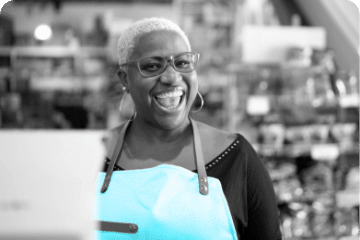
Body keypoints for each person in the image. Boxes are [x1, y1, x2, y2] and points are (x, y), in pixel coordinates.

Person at [96, 17, 282, 240]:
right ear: (125, 79)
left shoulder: (236, 158)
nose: (172, 77)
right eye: (152, 66)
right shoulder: (91, 156)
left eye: (182, 63)